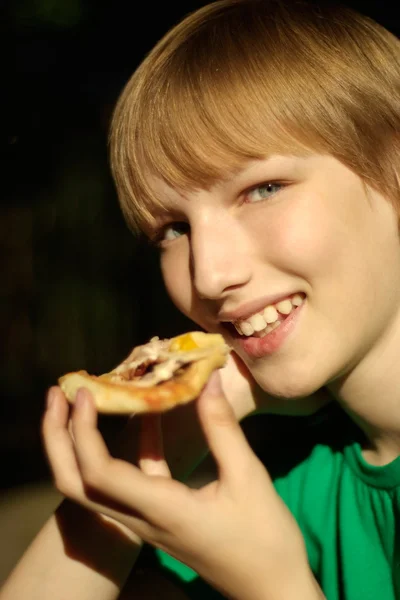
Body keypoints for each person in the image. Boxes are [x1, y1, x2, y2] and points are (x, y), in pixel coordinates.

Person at [1, 0, 400, 598]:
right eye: (172, 229)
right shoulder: (305, 477)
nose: (209, 275)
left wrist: (272, 584)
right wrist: (151, 456)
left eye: (262, 189)